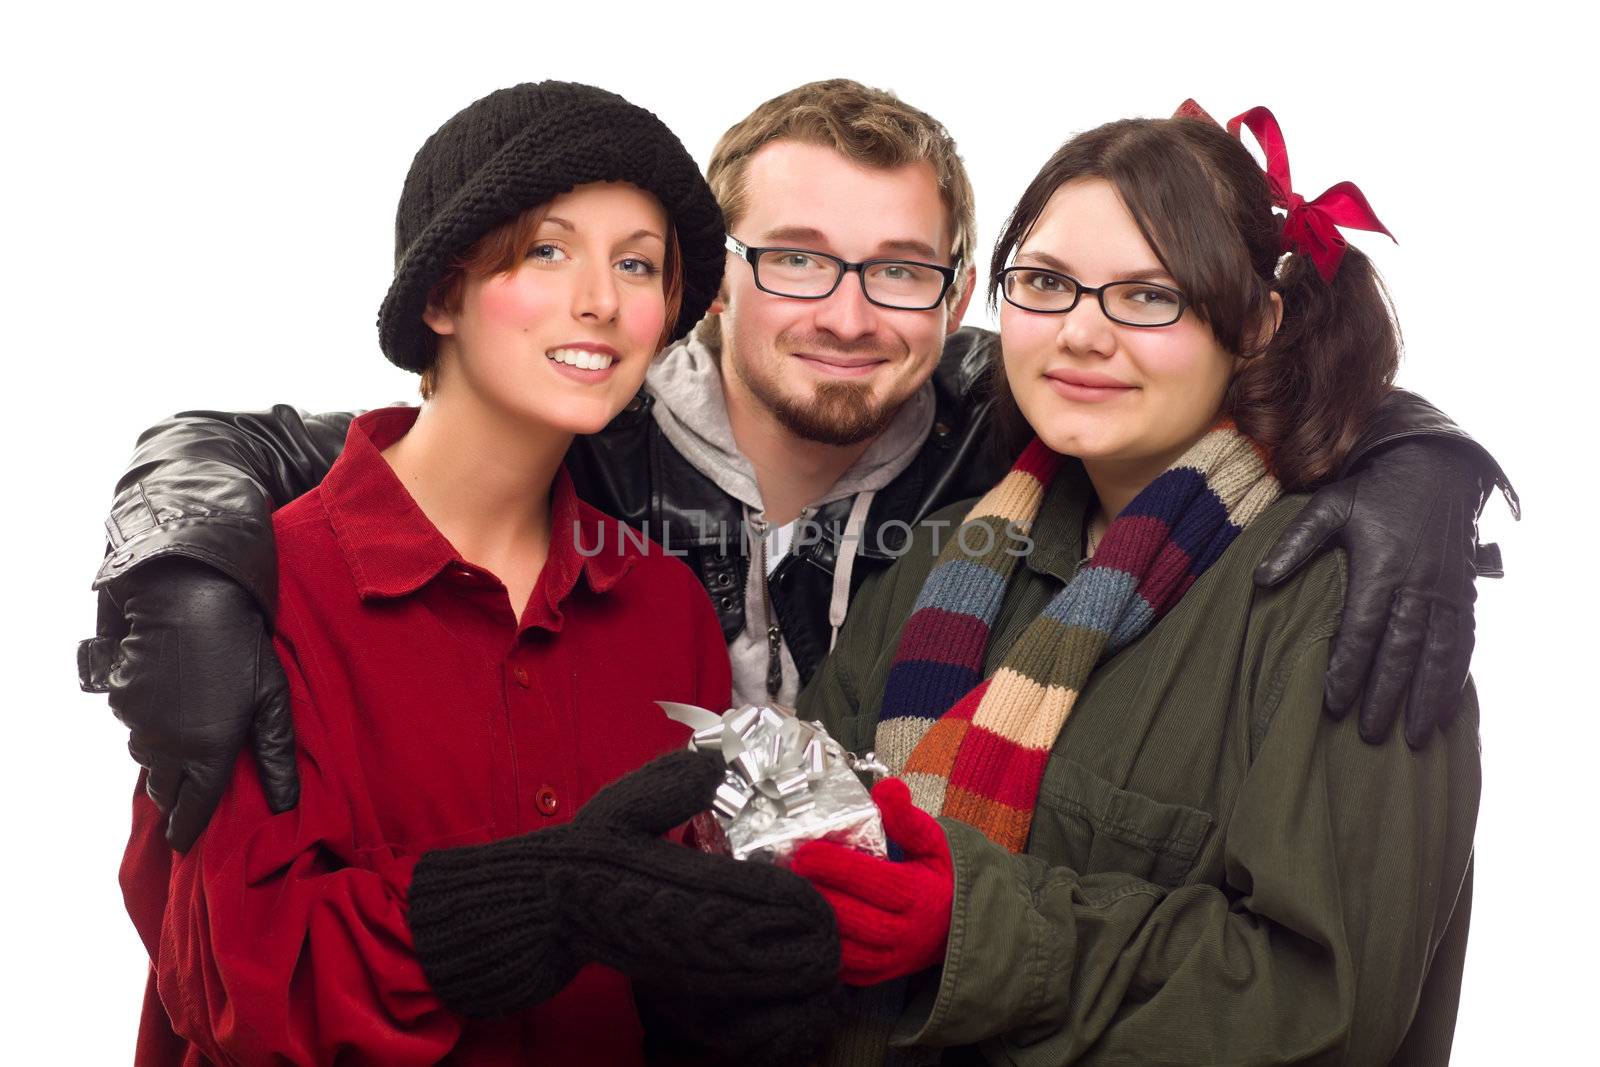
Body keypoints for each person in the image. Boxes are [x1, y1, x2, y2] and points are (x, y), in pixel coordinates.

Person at [79, 80, 1511, 853]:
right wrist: (177, 555)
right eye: (795, 258)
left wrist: (1415, 461)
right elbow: (260, 447)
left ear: (960, 292)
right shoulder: (587, 414)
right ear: (713, 280)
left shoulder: (1004, 419)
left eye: (899, 268)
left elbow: (1208, 360)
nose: (845, 310)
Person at [116, 81, 839, 1065]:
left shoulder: (660, 601)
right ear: (440, 293)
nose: (601, 299)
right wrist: (535, 903)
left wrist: (732, 993)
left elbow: (656, 962)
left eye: (638, 264)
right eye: (547, 249)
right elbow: (229, 982)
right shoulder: (265, 586)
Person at [790, 103, 1481, 1064]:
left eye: (1148, 296)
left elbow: (1322, 1009)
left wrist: (975, 929)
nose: (1080, 334)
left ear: (1257, 322)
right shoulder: (940, 556)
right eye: (1045, 284)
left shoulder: (1337, 597)